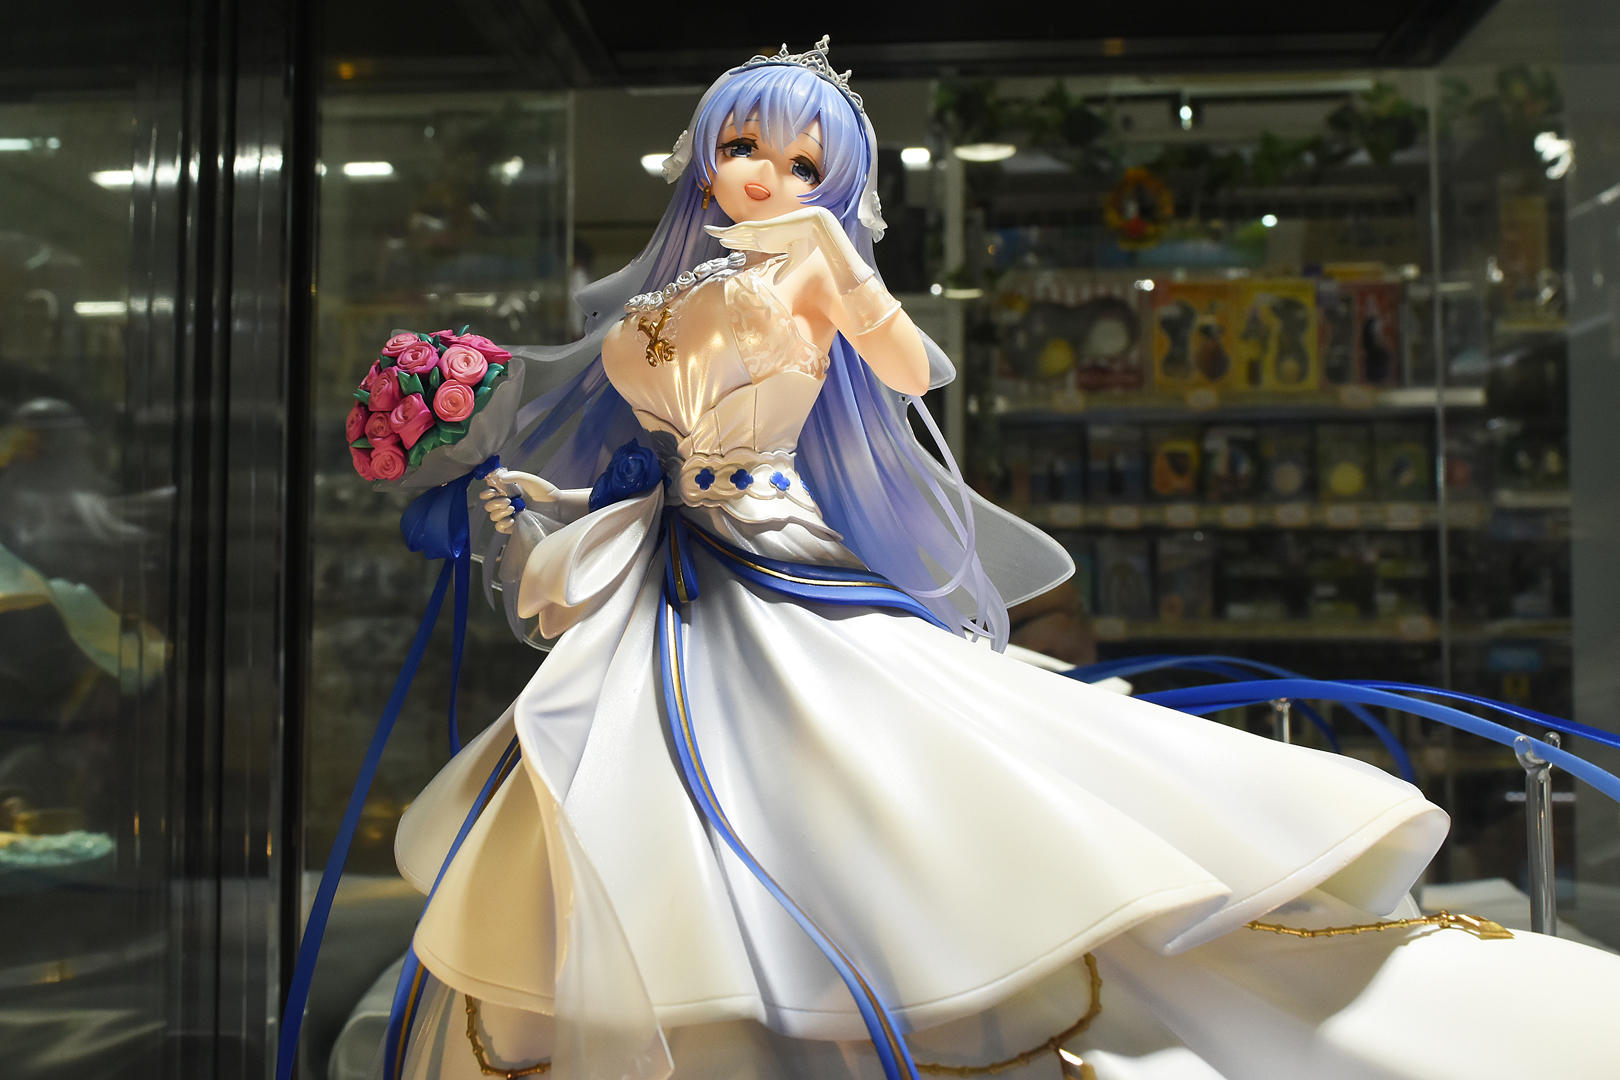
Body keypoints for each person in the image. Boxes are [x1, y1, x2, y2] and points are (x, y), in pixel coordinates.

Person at [373, 39, 1620, 1080]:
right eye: (746, 146)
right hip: (671, 555)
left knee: (848, 760)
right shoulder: (671, 287)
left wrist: (845, 270)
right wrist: (523, 491)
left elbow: (914, 371)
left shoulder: (808, 273)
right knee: (632, 774)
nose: (768, 176)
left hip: (768, 545)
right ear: (702, 152)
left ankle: (874, 978)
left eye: (803, 162)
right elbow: (641, 440)